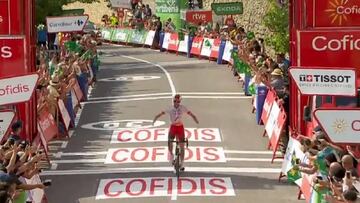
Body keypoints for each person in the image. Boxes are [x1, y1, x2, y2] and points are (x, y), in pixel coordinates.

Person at [152, 94, 199, 171]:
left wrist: (196, 121)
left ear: (180, 102)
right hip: (173, 127)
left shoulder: (183, 108)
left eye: (178, 101)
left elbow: (191, 114)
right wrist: (155, 118)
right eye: (174, 101)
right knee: (169, 141)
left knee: (182, 146)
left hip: (180, 127)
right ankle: (172, 156)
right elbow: (160, 114)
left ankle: (182, 164)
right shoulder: (169, 108)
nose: (176, 103)